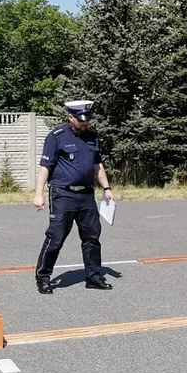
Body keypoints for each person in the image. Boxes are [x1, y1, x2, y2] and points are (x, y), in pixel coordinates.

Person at [33, 100, 115, 294]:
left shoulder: (92, 138)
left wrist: (106, 187)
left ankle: (94, 277)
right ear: (70, 118)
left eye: (87, 121)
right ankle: (43, 277)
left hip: (86, 194)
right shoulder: (56, 137)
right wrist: (39, 194)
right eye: (81, 121)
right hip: (63, 194)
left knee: (92, 237)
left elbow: (97, 166)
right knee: (56, 237)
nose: (85, 124)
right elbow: (45, 167)